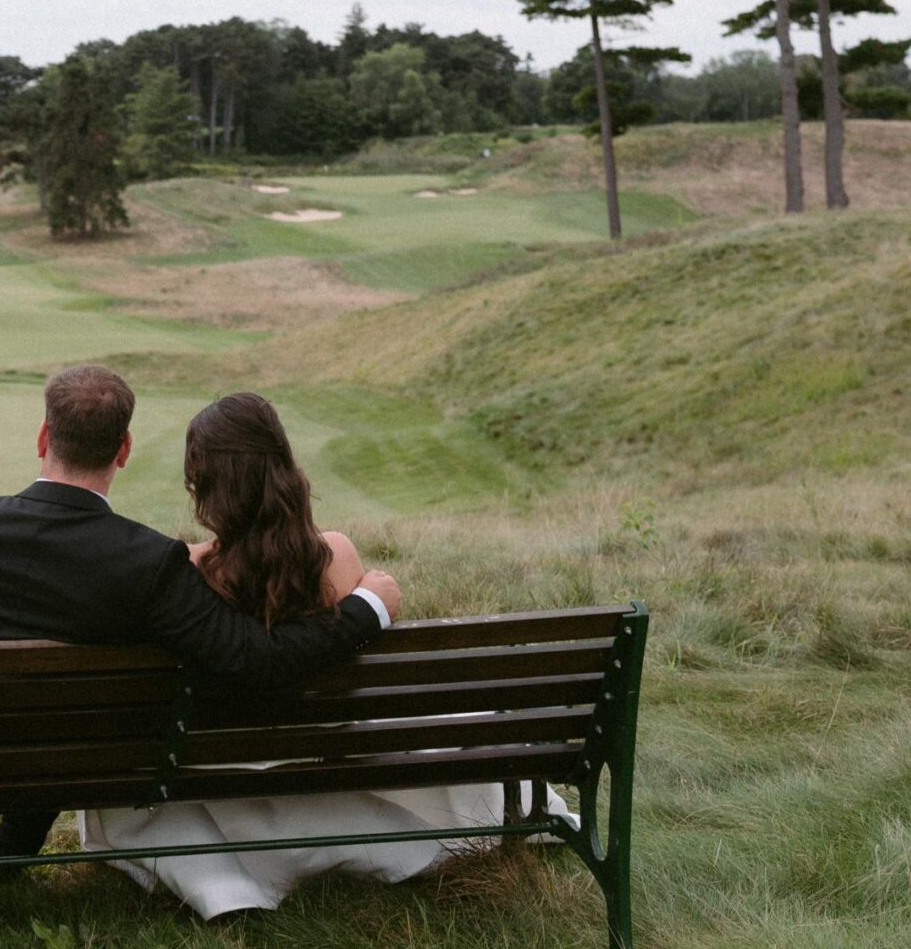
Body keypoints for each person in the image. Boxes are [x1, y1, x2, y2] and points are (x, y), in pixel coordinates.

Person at [0, 366, 403, 887]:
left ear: (43, 436)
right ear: (124, 449)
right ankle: (7, 866)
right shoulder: (149, 562)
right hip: (59, 755)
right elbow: (251, 655)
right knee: (56, 725)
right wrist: (368, 607)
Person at [76, 393, 567, 918]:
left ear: (204, 482)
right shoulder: (336, 557)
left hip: (226, 760)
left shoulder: (191, 571)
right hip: (327, 748)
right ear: (282, 466)